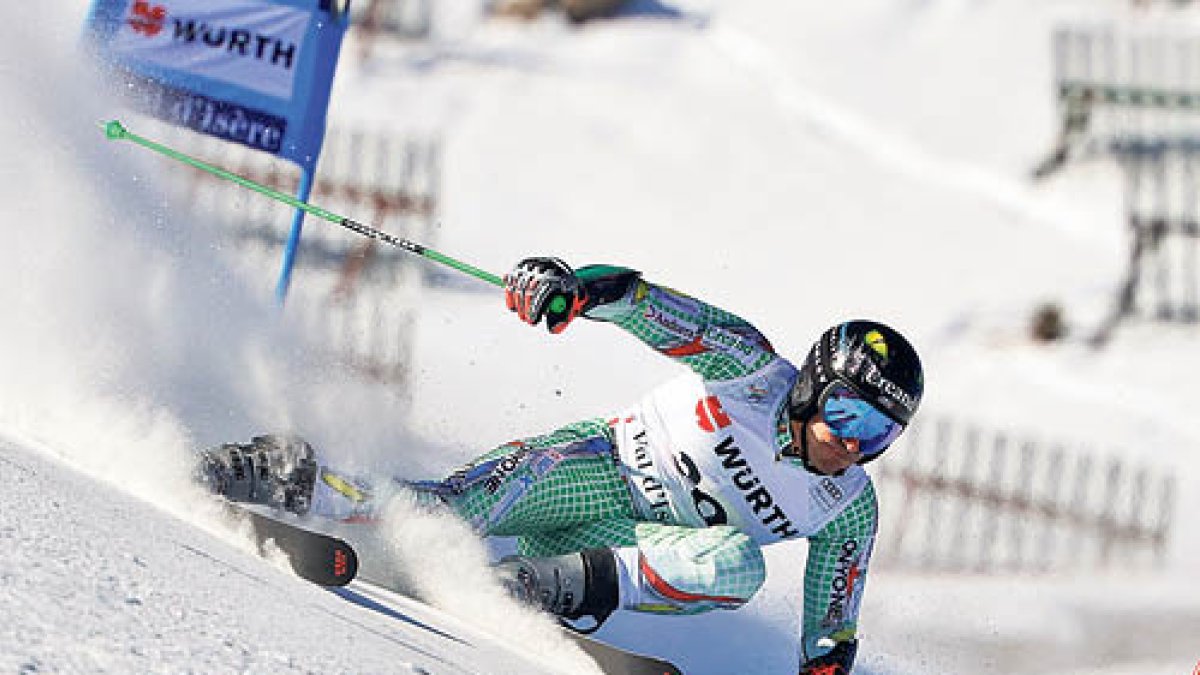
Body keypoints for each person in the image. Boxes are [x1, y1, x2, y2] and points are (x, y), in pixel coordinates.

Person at [198, 257, 924, 675]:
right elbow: (641, 302)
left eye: (880, 432)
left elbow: (829, 630)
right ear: (810, 385)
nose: (853, 443)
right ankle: (282, 471)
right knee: (445, 511)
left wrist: (825, 666)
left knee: (739, 568)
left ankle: (529, 589)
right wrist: (571, 288)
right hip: (593, 467)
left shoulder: (847, 506)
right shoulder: (750, 370)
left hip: (610, 551)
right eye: (848, 412)